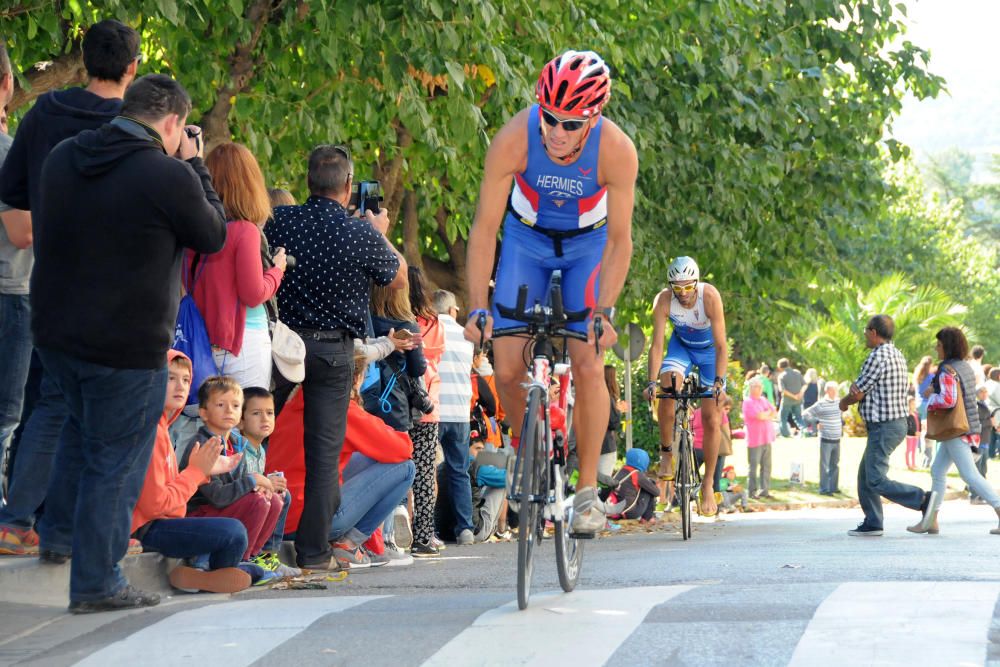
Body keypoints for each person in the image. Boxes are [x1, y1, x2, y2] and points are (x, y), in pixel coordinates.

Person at [29, 73, 226, 612]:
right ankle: (97, 580)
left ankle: (60, 536)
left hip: (56, 330)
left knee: (78, 429)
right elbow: (213, 234)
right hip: (128, 342)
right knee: (115, 458)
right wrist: (194, 163)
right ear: (171, 123)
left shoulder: (63, 157)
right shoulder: (167, 173)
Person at [462, 50, 638, 537]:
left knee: (588, 360)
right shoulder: (515, 137)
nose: (556, 132)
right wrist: (478, 306)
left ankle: (585, 494)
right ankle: (530, 446)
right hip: (526, 241)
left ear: (593, 119)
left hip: (588, 247)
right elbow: (483, 230)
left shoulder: (616, 151)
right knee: (507, 365)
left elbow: (621, 240)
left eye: (570, 123)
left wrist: (602, 310)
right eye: (550, 117)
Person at [0, 20, 142, 558]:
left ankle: (25, 522)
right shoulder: (133, 123)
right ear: (132, 67)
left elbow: (12, 190)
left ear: (84, 61)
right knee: (106, 413)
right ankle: (77, 528)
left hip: (49, 281)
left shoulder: (44, 113)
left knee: (52, 404)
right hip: (117, 290)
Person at [265, 144, 406, 570]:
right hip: (333, 351)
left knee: (260, 437)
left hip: (282, 347)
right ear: (348, 187)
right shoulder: (359, 233)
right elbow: (398, 278)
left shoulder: (281, 221)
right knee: (323, 457)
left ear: (308, 182)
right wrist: (377, 229)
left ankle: (259, 538)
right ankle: (313, 553)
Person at [131, 351, 251, 594]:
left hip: (165, 520)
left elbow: (170, 489)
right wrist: (196, 473)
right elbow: (156, 505)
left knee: (236, 528)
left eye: (186, 380)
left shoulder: (162, 428)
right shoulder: (149, 431)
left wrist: (206, 471)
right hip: (146, 528)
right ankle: (211, 574)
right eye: (171, 378)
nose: (180, 387)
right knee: (233, 532)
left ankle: (206, 575)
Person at [188, 142, 286, 390]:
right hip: (243, 343)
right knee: (244, 424)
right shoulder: (245, 231)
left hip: (200, 341)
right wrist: (277, 271)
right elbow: (253, 295)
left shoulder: (192, 231)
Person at [644, 256, 728, 515]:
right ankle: (667, 453)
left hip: (709, 353)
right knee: (667, 387)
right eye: (677, 288)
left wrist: (719, 382)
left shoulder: (710, 297)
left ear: (697, 282)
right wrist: (651, 381)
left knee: (712, 418)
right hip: (681, 348)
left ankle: (707, 484)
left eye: (688, 287)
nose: (683, 293)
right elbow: (657, 345)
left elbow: (722, 345)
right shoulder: (664, 300)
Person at [840, 315, 931, 537]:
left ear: (873, 332)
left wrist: (843, 402)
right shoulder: (896, 353)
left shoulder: (877, 356)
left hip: (884, 426)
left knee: (875, 478)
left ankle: (922, 499)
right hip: (895, 423)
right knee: (865, 475)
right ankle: (873, 522)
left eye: (865, 331)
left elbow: (858, 391)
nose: (864, 335)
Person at [910, 328, 1000, 535]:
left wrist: (931, 399)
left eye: (939, 345)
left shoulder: (948, 369)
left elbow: (948, 400)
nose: (936, 348)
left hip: (955, 429)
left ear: (947, 346)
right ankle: (931, 520)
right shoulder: (964, 367)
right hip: (966, 426)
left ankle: (997, 507)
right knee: (938, 471)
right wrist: (935, 389)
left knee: (969, 475)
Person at [0, 41, 33, 511]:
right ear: (7, 84)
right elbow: (22, 231)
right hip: (9, 291)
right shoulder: (10, 153)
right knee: (5, 416)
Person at [238, 387, 300, 576]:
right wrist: (265, 483)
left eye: (270, 413)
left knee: (282, 495)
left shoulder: (260, 450)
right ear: (240, 421)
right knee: (271, 496)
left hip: (254, 505)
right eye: (256, 413)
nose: (265, 419)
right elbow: (241, 484)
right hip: (240, 508)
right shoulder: (239, 446)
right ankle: (249, 556)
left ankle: (267, 555)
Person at [407, 266, 444, 557]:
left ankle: (395, 533)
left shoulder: (396, 319)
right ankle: (423, 535)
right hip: (428, 401)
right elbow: (436, 357)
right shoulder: (434, 323)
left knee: (397, 467)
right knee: (424, 473)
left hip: (397, 402)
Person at [434, 290, 476, 545]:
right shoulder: (466, 337)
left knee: (426, 470)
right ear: (453, 310)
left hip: (434, 409)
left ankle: (425, 527)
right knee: (459, 471)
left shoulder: (427, 331)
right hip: (460, 411)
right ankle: (465, 529)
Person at [803, 381, 844, 495]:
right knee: (825, 465)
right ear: (827, 391)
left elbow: (840, 414)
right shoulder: (821, 403)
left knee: (835, 464)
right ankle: (824, 489)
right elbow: (806, 414)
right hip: (826, 438)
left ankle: (833, 487)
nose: (835, 392)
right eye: (833, 390)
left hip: (837, 438)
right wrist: (816, 422)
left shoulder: (839, 402)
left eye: (836, 390)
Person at [742, 377, 776, 499]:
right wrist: (766, 414)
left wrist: (766, 414)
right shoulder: (748, 402)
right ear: (751, 388)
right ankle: (752, 491)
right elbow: (760, 416)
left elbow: (774, 412)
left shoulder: (763, 400)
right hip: (755, 439)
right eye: (757, 386)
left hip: (767, 438)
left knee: (766, 466)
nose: (760, 389)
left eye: (761, 387)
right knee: (753, 467)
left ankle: (765, 490)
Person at [606, 448, 660, 523]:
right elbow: (657, 492)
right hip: (630, 513)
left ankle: (647, 517)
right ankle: (648, 518)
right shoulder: (637, 474)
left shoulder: (620, 471)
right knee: (650, 486)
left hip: (616, 511)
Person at [601, 365, 625, 479]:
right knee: (603, 484)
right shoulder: (608, 398)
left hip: (589, 446)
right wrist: (618, 410)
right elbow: (613, 423)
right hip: (606, 447)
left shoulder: (592, 395)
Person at [776, 358, 805, 438]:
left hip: (787, 400)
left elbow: (782, 390)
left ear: (780, 367)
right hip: (798, 400)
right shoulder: (797, 373)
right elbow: (805, 385)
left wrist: (793, 396)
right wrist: (800, 394)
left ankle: (786, 434)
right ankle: (804, 431)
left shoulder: (781, 376)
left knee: (782, 417)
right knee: (798, 417)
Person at [904, 397, 921, 471]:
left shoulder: (916, 413)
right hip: (910, 435)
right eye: (912, 404)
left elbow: (918, 423)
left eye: (914, 404)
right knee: (909, 450)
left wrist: (919, 431)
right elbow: (908, 426)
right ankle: (908, 464)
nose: (914, 405)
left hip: (916, 436)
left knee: (914, 450)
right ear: (909, 405)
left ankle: (913, 463)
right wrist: (914, 432)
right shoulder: (908, 415)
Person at [802, 369, 820, 436]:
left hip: (806, 402)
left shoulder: (805, 384)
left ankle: (807, 431)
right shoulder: (817, 384)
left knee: (806, 418)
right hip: (814, 403)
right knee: (814, 418)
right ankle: (814, 431)